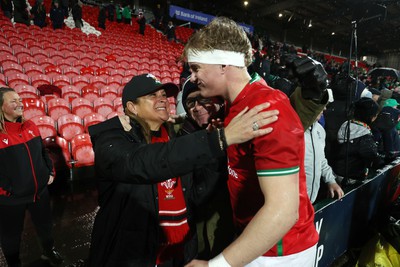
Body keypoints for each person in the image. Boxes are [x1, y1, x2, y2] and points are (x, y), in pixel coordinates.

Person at [86, 73, 278, 267]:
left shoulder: (174, 140)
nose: (162, 99)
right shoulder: (112, 138)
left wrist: (214, 158)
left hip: (179, 253)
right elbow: (140, 162)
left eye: (163, 95)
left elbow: (195, 197)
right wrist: (217, 140)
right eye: (152, 96)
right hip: (131, 256)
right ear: (132, 107)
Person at [183, 17, 319, 267]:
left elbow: (283, 212)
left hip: (279, 251)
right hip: (256, 239)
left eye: (196, 68)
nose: (192, 77)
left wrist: (216, 266)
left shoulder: (267, 108)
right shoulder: (236, 105)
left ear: (223, 64)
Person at [0, 87, 63, 267]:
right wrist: (9, 190)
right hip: (11, 199)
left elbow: (43, 152)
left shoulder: (31, 126)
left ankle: (48, 251)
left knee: (45, 227)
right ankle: (14, 263)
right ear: (1, 107)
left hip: (40, 192)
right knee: (11, 235)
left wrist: (49, 171)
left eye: (20, 100)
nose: (20, 104)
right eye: (14, 101)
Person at [177, 77, 235, 259]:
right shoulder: (182, 137)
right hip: (198, 237)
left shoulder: (237, 126)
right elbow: (196, 195)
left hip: (235, 233)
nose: (196, 107)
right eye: (190, 102)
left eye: (202, 99)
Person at [331, 97, 381, 185]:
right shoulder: (364, 136)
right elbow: (373, 158)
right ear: (371, 117)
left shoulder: (346, 125)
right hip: (351, 180)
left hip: (336, 174)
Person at [305, 109, 344, 203]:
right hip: (290, 203)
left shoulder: (320, 130)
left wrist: (331, 180)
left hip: (311, 201)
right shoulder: (290, 130)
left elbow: (321, 160)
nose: (324, 109)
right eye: (321, 104)